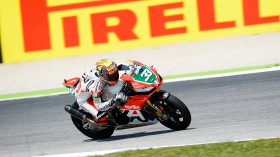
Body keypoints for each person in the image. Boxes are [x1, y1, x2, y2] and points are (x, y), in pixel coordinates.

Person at [74, 59, 130, 126]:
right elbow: (99, 106)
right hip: (83, 100)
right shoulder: (96, 87)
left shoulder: (109, 70)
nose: (115, 77)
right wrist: (114, 100)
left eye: (115, 73)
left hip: (90, 82)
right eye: (111, 76)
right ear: (104, 77)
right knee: (102, 117)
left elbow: (121, 66)